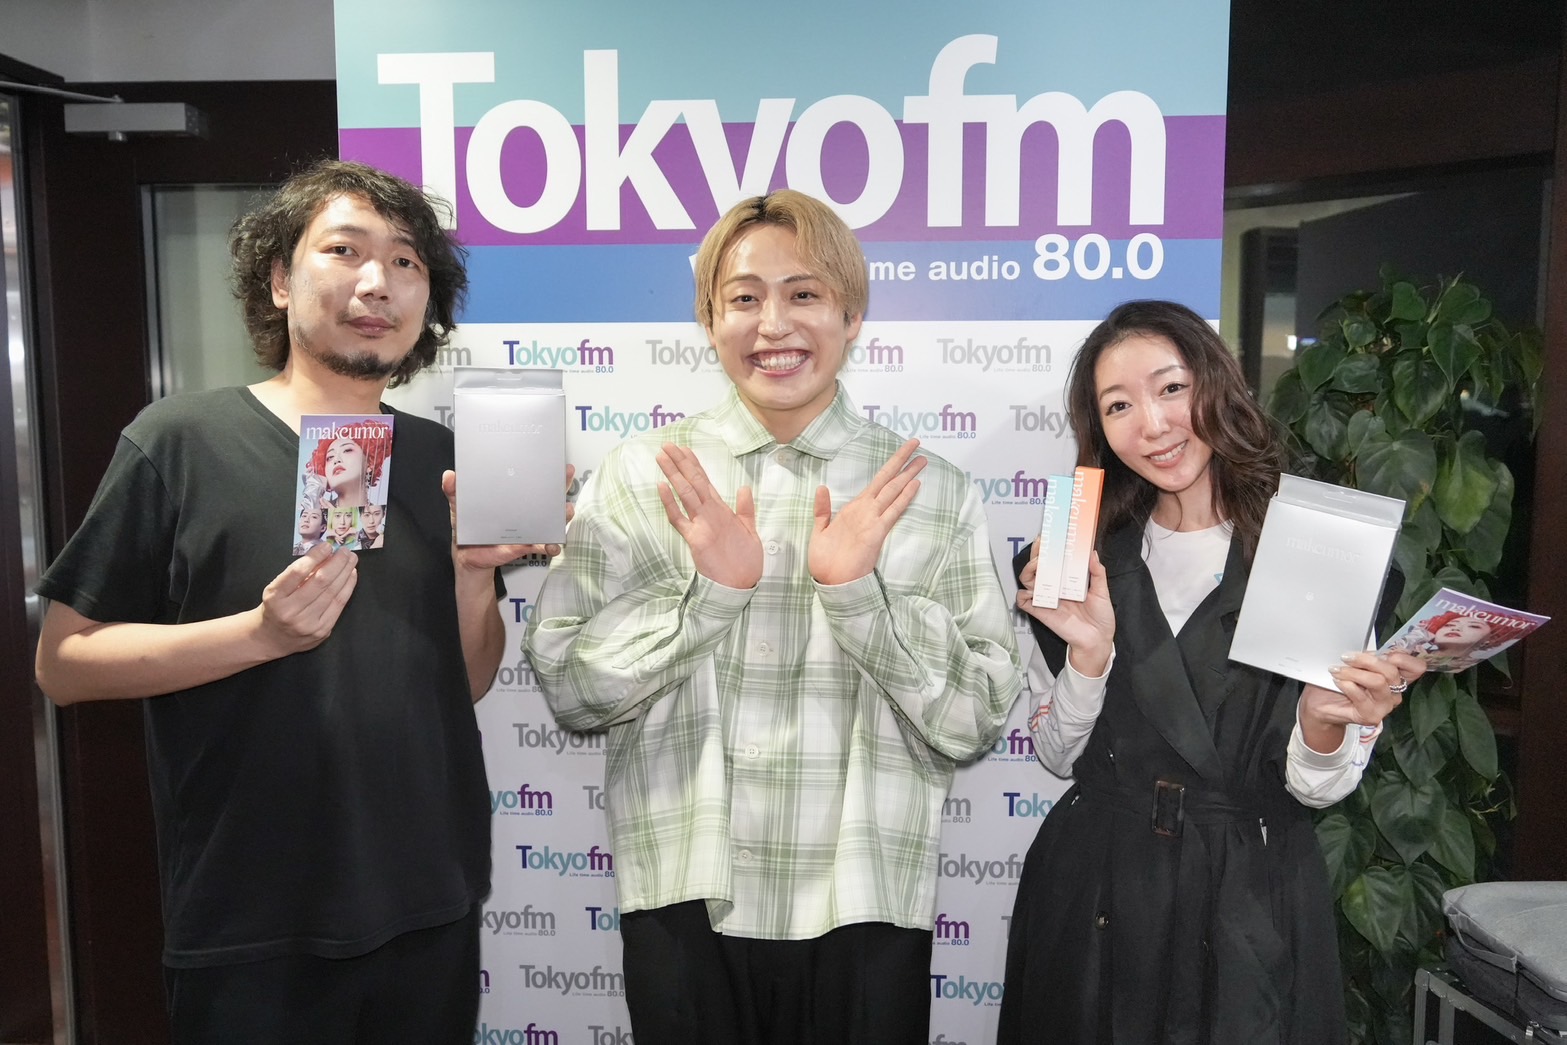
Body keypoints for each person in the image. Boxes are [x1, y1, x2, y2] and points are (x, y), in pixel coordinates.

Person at [33, 160, 555, 1045]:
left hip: (426, 901)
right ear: (279, 280)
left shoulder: (439, 456)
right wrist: (260, 633)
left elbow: (462, 682)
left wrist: (473, 578)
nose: (376, 282)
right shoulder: (180, 440)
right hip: (248, 916)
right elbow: (64, 663)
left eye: (405, 261)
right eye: (343, 250)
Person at [525, 189, 1023, 1045]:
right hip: (686, 894)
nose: (773, 324)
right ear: (708, 319)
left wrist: (859, 597)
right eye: (744, 298)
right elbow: (570, 687)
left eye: (803, 294)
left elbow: (974, 717)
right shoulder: (641, 474)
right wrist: (708, 598)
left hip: (865, 897)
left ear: (851, 315)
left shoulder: (928, 489)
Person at [995, 300, 1425, 1045]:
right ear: (1098, 430)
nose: (1153, 425)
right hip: (1097, 887)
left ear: (1216, 384)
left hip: (1247, 893)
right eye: (1119, 406)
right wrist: (1089, 661)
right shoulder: (1075, 558)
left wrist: (1320, 722)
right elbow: (1058, 756)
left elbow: (1318, 787)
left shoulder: (1314, 547)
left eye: (1171, 388)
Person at [307, 419, 393, 508]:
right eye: (330, 457)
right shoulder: (314, 512)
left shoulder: (381, 514)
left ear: (370, 462)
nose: (336, 460)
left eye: (347, 450)